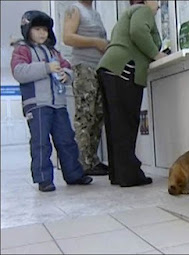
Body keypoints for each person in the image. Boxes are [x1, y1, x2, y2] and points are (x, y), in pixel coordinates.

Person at [11, 10, 93, 192]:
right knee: (41, 142)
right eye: (37, 29)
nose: (42, 33)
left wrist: (67, 75)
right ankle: (44, 179)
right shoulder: (22, 50)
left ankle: (74, 174)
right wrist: (46, 67)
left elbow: (67, 68)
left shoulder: (54, 52)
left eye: (45, 30)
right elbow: (19, 72)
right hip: (37, 104)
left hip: (59, 104)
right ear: (27, 30)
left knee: (66, 140)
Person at [97, 0, 167, 187]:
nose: (159, 5)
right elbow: (137, 31)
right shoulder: (143, 10)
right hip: (124, 69)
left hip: (109, 68)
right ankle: (129, 175)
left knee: (115, 126)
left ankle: (118, 174)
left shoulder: (129, 13)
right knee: (126, 124)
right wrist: (156, 54)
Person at [63, 0, 109, 176]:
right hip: (84, 68)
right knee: (85, 115)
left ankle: (91, 160)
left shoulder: (94, 12)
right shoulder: (75, 9)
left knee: (97, 114)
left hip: (98, 67)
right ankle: (81, 162)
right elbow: (67, 37)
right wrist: (96, 42)